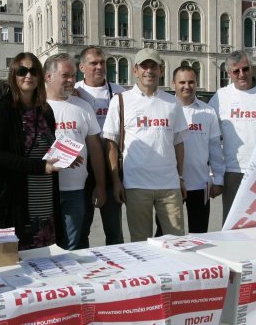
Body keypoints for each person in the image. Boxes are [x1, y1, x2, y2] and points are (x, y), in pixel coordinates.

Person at [103, 48, 188, 242]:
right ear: (135, 71)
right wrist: (116, 181)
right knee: (141, 243)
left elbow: (179, 143)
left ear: (161, 70)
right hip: (136, 184)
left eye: (153, 66)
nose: (149, 71)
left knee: (176, 241)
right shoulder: (121, 101)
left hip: (169, 185)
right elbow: (111, 145)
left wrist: (180, 177)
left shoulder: (172, 102)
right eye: (144, 66)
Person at [0, 52, 66, 248]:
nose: (28, 76)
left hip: (45, 196)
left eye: (33, 71)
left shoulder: (45, 110)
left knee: (46, 260)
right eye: (22, 71)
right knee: (20, 262)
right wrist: (39, 167)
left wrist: (66, 156)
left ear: (40, 76)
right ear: (13, 75)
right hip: (16, 199)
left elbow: (47, 148)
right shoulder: (2, 110)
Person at [44, 53, 106, 249]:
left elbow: (95, 148)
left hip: (76, 191)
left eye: (73, 76)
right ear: (48, 77)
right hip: (43, 189)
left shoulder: (83, 106)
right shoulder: (37, 107)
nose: (71, 81)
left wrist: (101, 185)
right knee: (45, 245)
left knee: (72, 245)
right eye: (65, 75)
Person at [209, 50, 256, 221]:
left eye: (245, 69)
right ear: (229, 74)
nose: (242, 74)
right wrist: (214, 175)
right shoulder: (221, 97)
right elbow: (210, 137)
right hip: (233, 171)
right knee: (233, 221)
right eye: (236, 71)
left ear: (251, 68)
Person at [161, 65, 224, 233]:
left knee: (199, 233)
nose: (187, 86)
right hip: (170, 184)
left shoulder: (208, 112)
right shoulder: (164, 109)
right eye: (182, 82)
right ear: (173, 83)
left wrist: (218, 179)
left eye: (191, 82)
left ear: (196, 83)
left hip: (200, 184)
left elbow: (215, 148)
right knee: (166, 234)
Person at [75, 46, 125, 246]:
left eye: (102, 62)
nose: (99, 67)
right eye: (93, 63)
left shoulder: (119, 93)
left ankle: (118, 269)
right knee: (82, 226)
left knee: (114, 229)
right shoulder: (75, 91)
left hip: (111, 163)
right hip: (84, 166)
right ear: (82, 67)